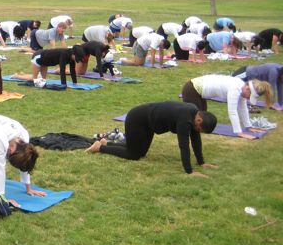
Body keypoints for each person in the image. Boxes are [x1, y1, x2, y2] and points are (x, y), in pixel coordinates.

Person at [85, 101, 219, 176]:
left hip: (149, 124)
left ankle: (105, 142)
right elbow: (184, 145)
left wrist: (201, 162)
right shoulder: (186, 120)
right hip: (137, 119)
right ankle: (100, 147)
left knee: (140, 152)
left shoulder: (193, 114)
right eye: (200, 129)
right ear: (199, 119)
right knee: (133, 154)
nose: (198, 132)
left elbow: (195, 139)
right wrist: (190, 171)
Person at [181, 74, 273, 139]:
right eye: (249, 96)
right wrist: (239, 132)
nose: (248, 98)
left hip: (200, 93)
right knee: (195, 121)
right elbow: (232, 111)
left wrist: (249, 126)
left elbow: (242, 108)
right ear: (248, 89)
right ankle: (182, 132)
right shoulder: (235, 88)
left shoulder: (242, 86)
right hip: (192, 89)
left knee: (203, 121)